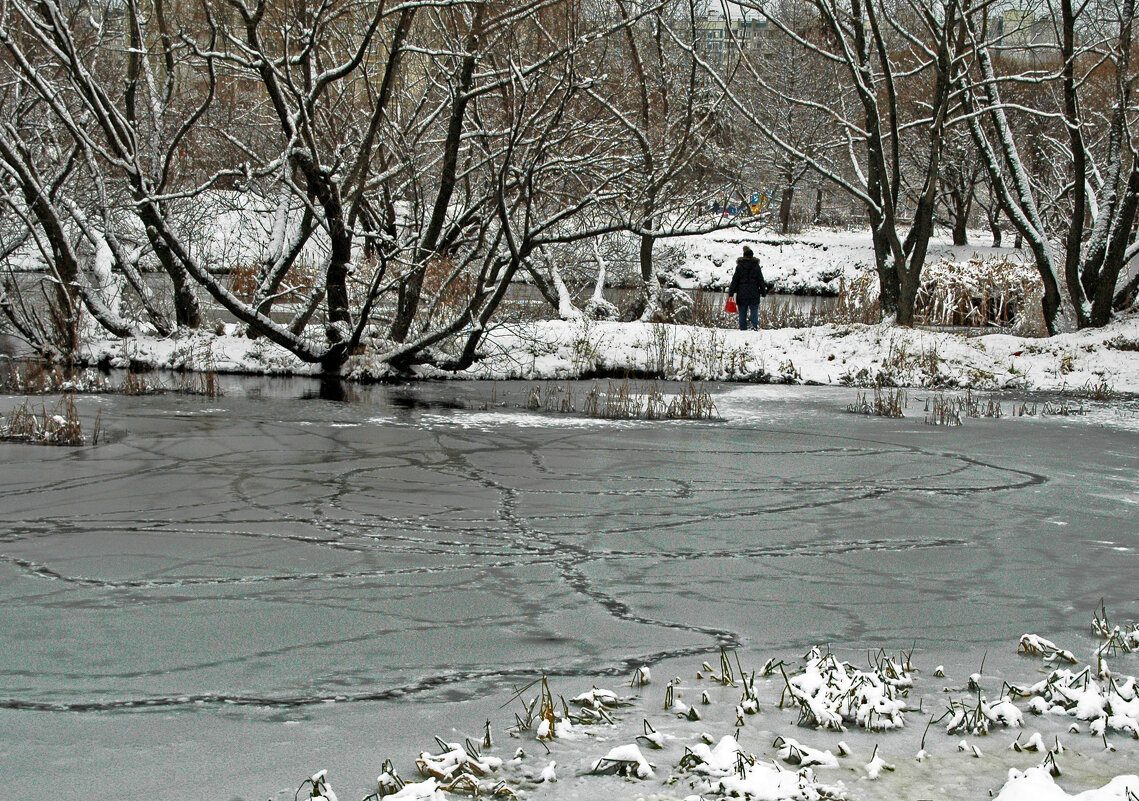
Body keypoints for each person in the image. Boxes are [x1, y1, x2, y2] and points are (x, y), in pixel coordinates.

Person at [727, 245, 768, 330]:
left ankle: (743, 328)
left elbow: (735, 280)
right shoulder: (756, 266)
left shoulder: (739, 266)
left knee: (742, 312)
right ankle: (754, 327)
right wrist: (763, 292)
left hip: (742, 293)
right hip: (754, 292)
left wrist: (731, 293)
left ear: (744, 255)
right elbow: (761, 280)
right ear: (752, 256)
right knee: (754, 311)